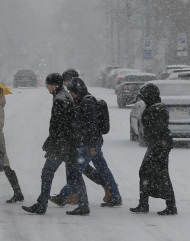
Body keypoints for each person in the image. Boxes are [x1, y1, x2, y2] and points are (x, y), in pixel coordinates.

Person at [22, 73, 89, 215]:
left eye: (48, 84)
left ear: (55, 85)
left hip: (62, 145)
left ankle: (42, 205)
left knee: (47, 173)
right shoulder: (64, 96)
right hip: (68, 143)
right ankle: (84, 205)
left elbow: (60, 125)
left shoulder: (60, 99)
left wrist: (53, 143)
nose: (47, 86)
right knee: (76, 174)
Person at [55, 77, 122, 209]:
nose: (71, 95)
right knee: (103, 170)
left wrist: (91, 145)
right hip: (93, 142)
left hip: (90, 143)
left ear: (77, 91)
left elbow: (91, 126)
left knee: (76, 170)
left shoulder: (87, 102)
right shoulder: (85, 100)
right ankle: (115, 196)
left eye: (72, 92)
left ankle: (62, 196)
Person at [130, 83, 177, 215]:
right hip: (158, 145)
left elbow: (158, 129)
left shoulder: (157, 109)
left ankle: (170, 206)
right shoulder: (155, 106)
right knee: (148, 173)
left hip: (160, 146)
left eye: (144, 96)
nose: (143, 99)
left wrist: (154, 142)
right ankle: (145, 204)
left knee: (160, 174)